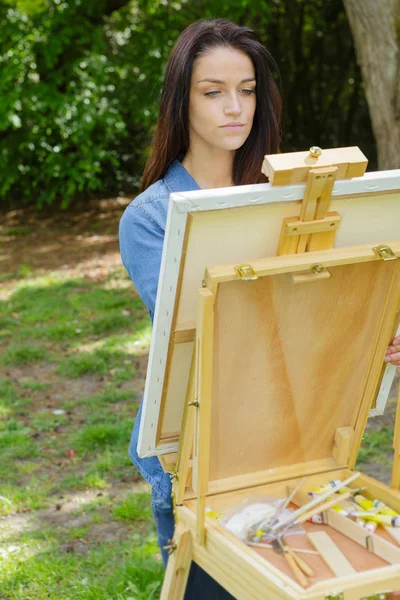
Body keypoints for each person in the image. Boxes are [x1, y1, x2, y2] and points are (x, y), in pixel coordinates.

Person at [119, 17, 400, 598]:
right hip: (200, 456)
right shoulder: (151, 217)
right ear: (181, 100)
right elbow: (212, 337)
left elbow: (337, 310)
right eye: (213, 91)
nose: (234, 108)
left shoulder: (300, 202)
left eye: (246, 90)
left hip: (300, 441)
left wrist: (377, 333)